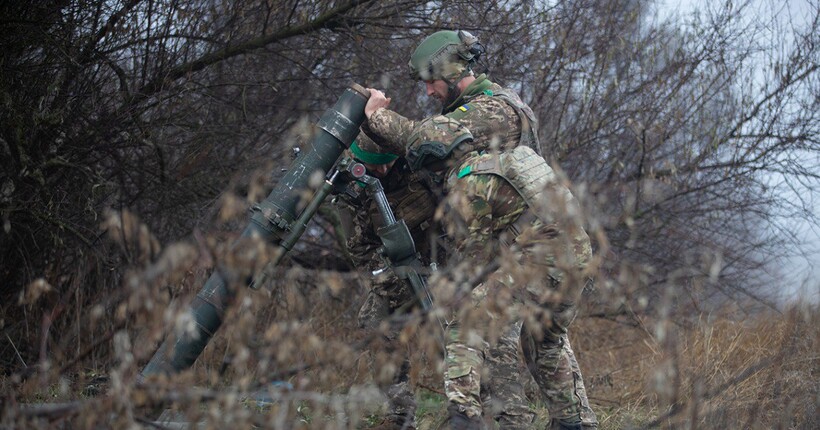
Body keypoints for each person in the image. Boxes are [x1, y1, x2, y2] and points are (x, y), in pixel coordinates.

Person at [361, 30, 598, 430]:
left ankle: (492, 421)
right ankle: (574, 422)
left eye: (432, 81)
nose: (431, 92)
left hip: (522, 251)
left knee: (484, 329)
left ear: (453, 71)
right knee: (543, 342)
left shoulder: (494, 111)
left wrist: (374, 115)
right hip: (541, 247)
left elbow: (426, 139)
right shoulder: (486, 108)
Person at [341, 135, 536, 429]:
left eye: (385, 165)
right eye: (372, 166)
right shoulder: (356, 186)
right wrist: (388, 277)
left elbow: (466, 218)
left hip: (451, 264)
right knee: (375, 320)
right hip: (402, 274)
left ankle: (500, 415)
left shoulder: (423, 169)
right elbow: (360, 247)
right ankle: (399, 414)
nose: (379, 172)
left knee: (471, 337)